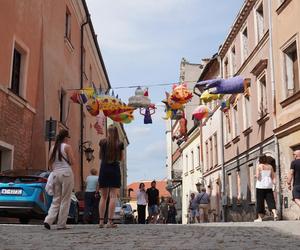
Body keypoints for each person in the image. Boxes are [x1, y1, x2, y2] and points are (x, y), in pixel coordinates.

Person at [44, 129, 75, 230]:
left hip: (55, 174)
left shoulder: (53, 148)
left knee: (56, 199)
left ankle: (48, 220)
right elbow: (72, 161)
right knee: (65, 199)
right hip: (66, 174)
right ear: (65, 137)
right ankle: (61, 224)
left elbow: (49, 162)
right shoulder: (67, 147)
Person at [98, 125, 124, 228]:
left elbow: (100, 155)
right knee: (113, 196)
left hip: (104, 168)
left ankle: (100, 221)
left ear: (108, 132)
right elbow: (121, 158)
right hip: (114, 169)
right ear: (117, 132)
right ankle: (109, 222)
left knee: (103, 197)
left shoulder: (102, 142)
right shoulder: (119, 144)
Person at [254, 154, 278, 222]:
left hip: (260, 185)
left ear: (260, 159)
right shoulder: (270, 166)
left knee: (260, 201)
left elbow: (258, 176)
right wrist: (274, 184)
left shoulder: (259, 166)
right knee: (270, 200)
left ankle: (260, 218)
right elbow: (273, 177)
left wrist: (255, 176)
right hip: (268, 185)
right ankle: (275, 213)